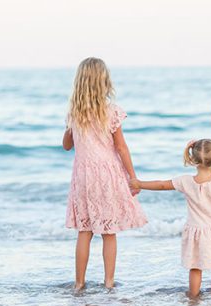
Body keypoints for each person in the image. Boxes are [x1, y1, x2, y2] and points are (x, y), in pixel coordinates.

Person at [63, 57, 147, 290]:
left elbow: (67, 146)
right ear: (104, 82)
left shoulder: (74, 113)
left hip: (83, 176)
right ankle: (108, 282)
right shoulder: (111, 112)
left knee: (85, 230)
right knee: (109, 232)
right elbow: (120, 147)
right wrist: (132, 177)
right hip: (107, 175)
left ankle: (79, 283)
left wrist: (70, 127)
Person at [130, 140, 211, 297]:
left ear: (193, 160)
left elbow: (162, 185)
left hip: (196, 232)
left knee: (195, 266)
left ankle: (193, 296)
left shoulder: (185, 181)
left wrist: (139, 183)